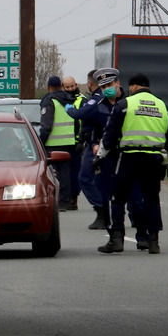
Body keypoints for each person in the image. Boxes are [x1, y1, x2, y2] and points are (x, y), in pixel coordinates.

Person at [95, 73, 168, 254]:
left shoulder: (125, 105)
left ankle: (116, 239)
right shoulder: (164, 107)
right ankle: (153, 241)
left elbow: (110, 134)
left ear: (133, 87)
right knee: (151, 199)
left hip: (128, 157)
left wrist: (100, 157)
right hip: (154, 158)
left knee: (117, 198)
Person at [65, 70, 106, 229]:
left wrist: (70, 110)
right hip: (104, 142)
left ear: (90, 83)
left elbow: (81, 113)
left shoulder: (96, 99)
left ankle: (102, 210)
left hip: (96, 143)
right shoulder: (110, 98)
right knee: (102, 179)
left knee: (85, 178)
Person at [39, 75, 76, 211]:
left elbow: (46, 126)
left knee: (53, 173)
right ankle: (66, 200)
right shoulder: (68, 99)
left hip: (54, 142)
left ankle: (56, 200)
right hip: (69, 141)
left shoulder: (49, 101)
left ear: (49, 87)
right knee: (65, 172)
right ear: (60, 86)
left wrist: (41, 141)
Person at [62, 76, 84, 211]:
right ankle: (67, 197)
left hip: (77, 142)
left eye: (72, 86)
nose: (70, 89)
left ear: (76, 85)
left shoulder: (83, 100)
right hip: (64, 141)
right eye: (67, 87)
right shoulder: (61, 100)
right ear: (63, 87)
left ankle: (73, 198)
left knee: (75, 173)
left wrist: (81, 140)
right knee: (66, 173)